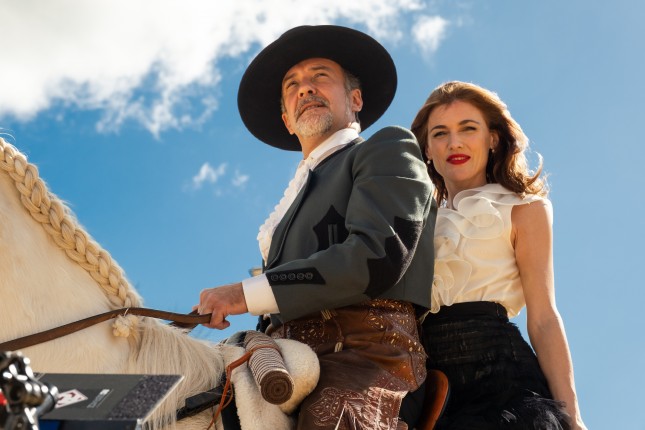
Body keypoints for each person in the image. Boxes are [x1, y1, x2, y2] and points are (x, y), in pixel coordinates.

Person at [196, 25, 437, 429]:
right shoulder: (289, 204)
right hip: (281, 356)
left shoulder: (388, 148)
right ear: (287, 120)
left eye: (320, 76)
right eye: (292, 85)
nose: (305, 88)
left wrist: (243, 294)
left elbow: (375, 258)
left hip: (366, 356)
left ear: (355, 99)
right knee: (177, 399)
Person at [409, 81, 586, 429]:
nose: (454, 142)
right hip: (429, 391)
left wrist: (574, 418)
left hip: (505, 386)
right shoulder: (414, 221)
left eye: (468, 128)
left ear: (492, 138)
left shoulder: (525, 209)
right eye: (440, 133)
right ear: (427, 148)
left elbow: (544, 318)